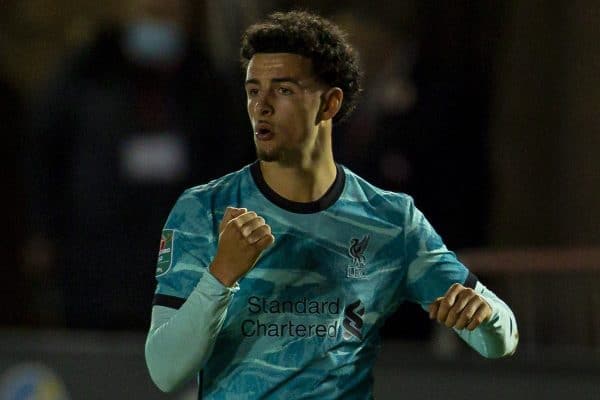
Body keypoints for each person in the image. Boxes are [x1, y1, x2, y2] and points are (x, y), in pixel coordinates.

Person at [145, 10, 519, 398]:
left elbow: (502, 338)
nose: (262, 106)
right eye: (254, 90)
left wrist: (485, 317)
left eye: (284, 90)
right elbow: (165, 370)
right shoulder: (205, 209)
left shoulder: (390, 219)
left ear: (329, 104)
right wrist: (221, 275)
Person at [25, 0, 251, 329]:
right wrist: (43, 233)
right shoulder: (84, 77)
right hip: (95, 262)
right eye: (151, 13)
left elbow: (232, 163)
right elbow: (46, 160)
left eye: (169, 13)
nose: (160, 24)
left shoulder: (208, 85)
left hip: (184, 256)